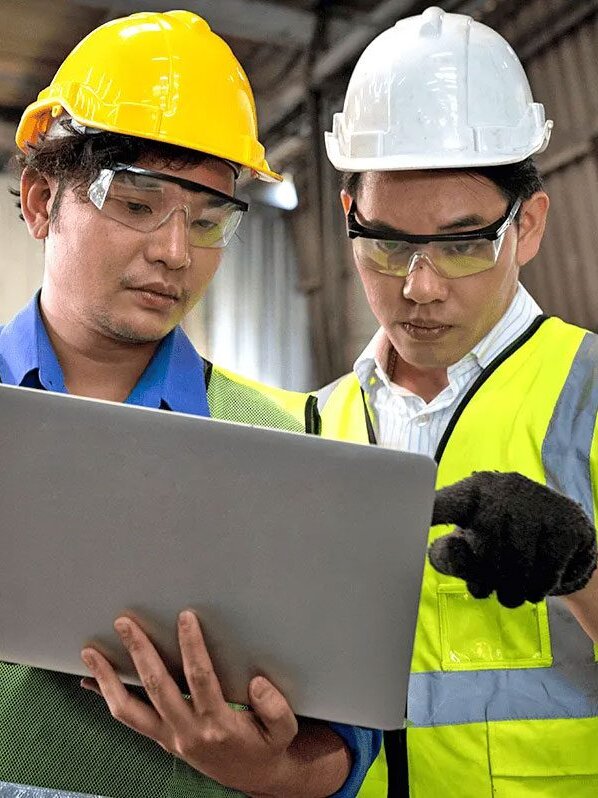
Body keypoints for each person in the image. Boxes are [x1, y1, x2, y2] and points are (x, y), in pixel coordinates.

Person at [0, 10, 380, 798]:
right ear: (40, 200)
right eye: (137, 205)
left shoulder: (276, 450)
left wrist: (272, 767)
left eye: (208, 221)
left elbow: (349, 741)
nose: (176, 252)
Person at [319, 6, 598, 797]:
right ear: (349, 218)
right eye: (387, 244)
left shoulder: (593, 394)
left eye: (465, 243)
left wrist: (582, 574)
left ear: (530, 225)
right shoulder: (318, 421)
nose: (421, 287)